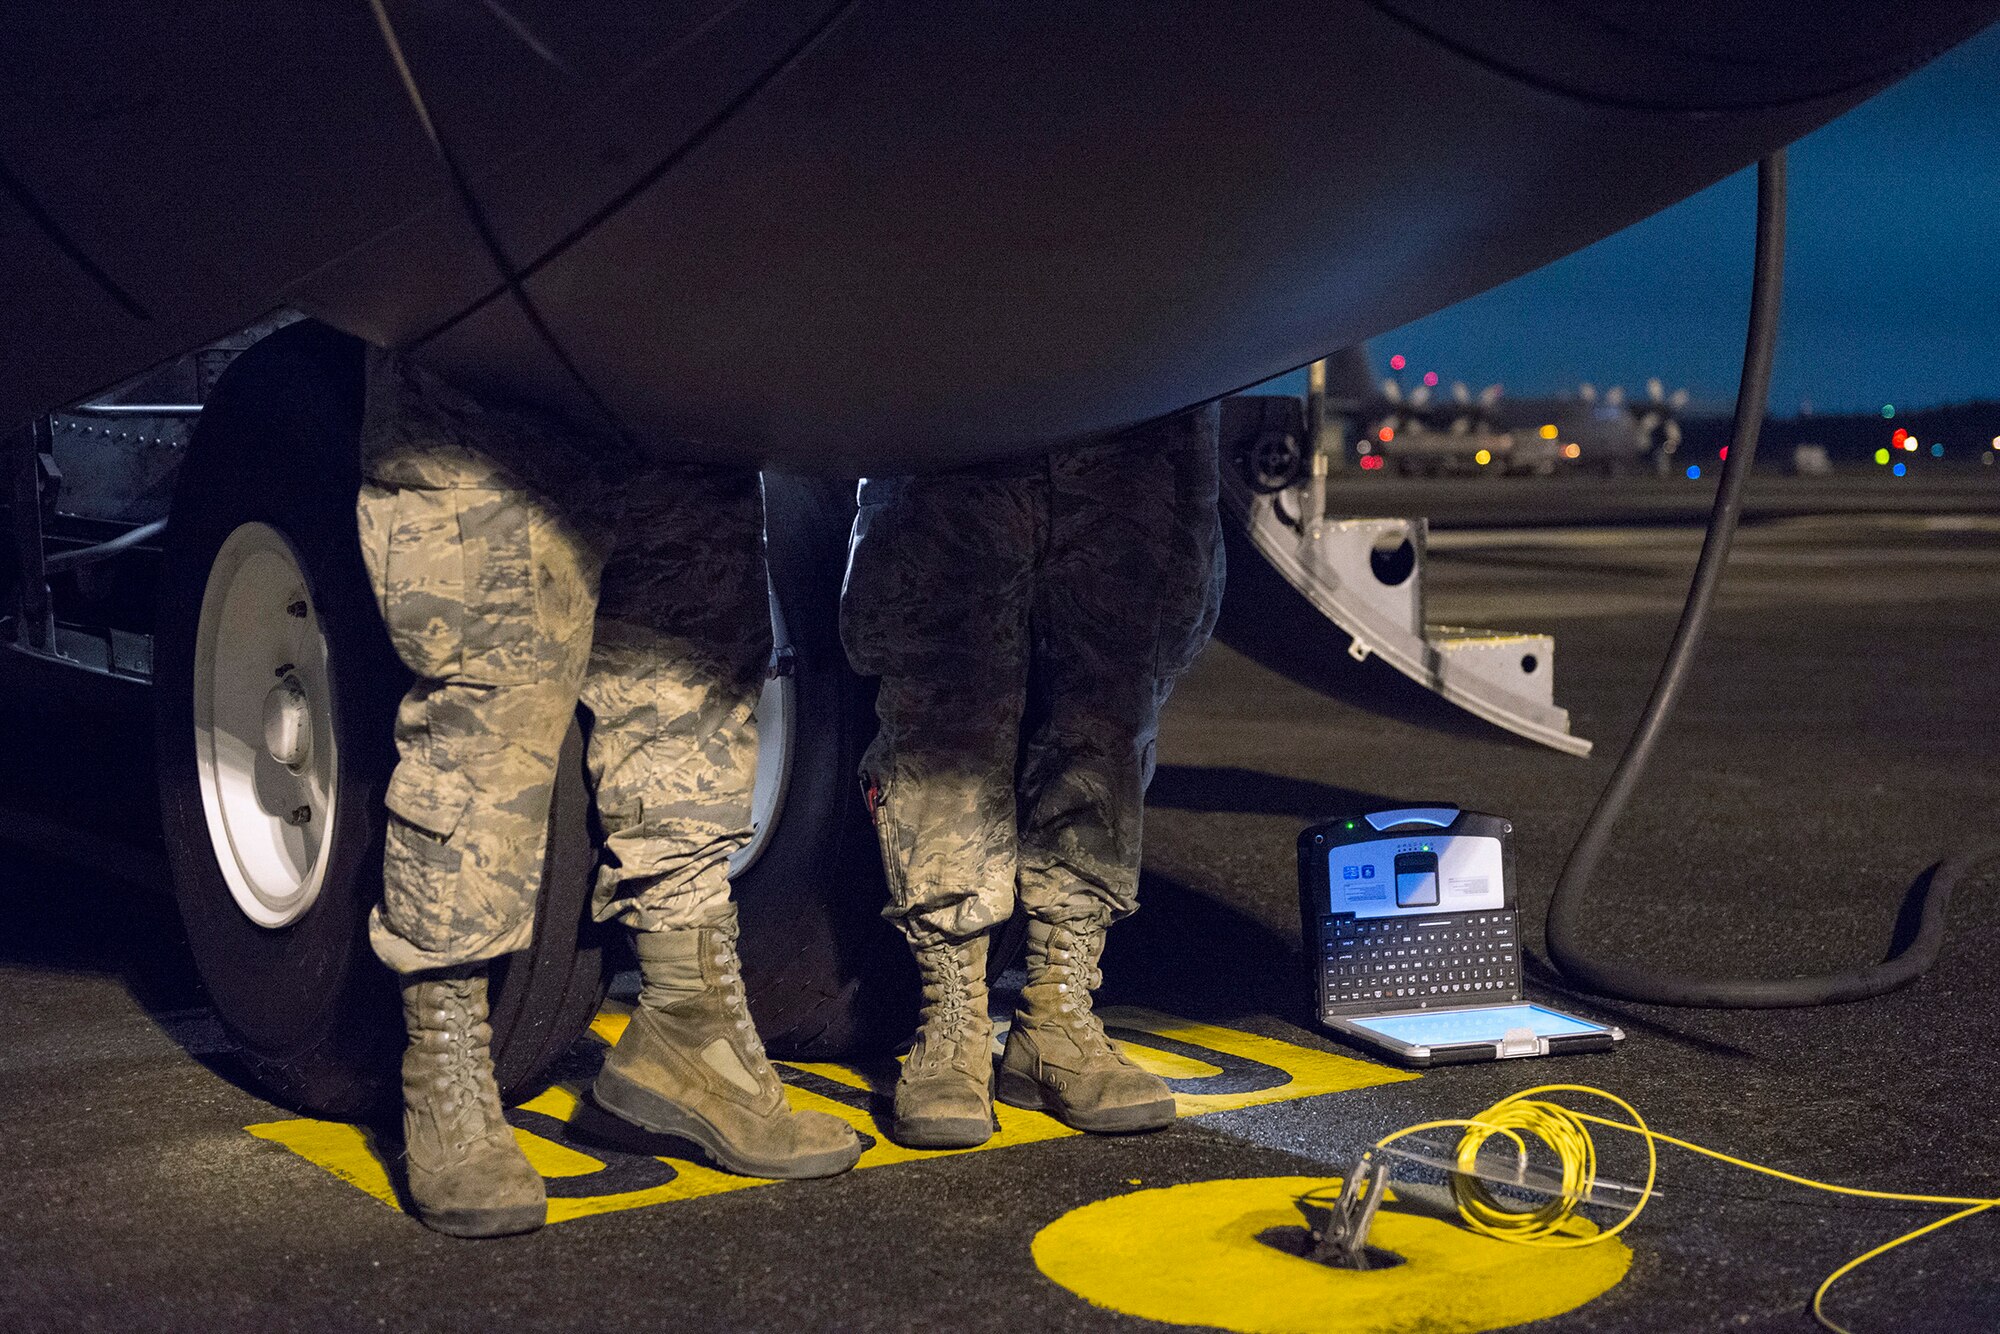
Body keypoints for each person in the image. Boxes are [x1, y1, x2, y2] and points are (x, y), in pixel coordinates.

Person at [357, 352, 861, 1238]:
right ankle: (445, 1061)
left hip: (685, 384)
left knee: (693, 707)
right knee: (487, 718)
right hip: (500, 361)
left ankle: (689, 1034)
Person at [838, 404, 1224, 1147]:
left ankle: (1057, 1016)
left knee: (1105, 716)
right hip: (958, 419)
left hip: (1131, 420)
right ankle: (953, 1019)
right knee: (946, 714)